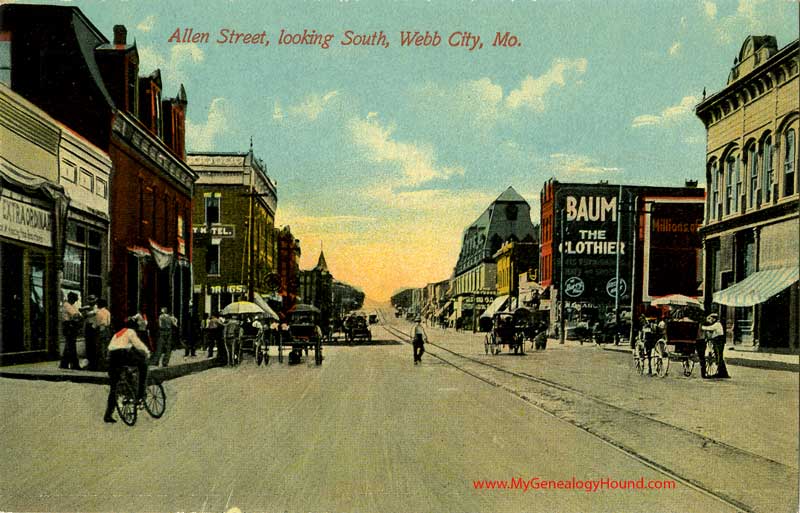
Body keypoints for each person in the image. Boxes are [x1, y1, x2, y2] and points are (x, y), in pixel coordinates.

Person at [104, 318, 151, 423]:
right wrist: (147, 353)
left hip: (112, 358)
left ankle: (108, 414)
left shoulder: (117, 334)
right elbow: (138, 345)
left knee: (114, 388)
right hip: (122, 354)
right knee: (143, 365)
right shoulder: (130, 332)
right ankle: (140, 395)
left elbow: (109, 348)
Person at [701, 313, 730, 378]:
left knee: (719, 356)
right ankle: (722, 372)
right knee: (718, 356)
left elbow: (710, 328)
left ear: (714, 319)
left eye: (710, 319)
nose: (710, 320)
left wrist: (701, 327)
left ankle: (721, 373)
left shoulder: (717, 324)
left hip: (719, 340)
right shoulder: (716, 324)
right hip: (717, 340)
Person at [60, 292, 82, 370]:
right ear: (71, 298)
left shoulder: (71, 305)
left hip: (71, 325)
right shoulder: (67, 305)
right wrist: (79, 316)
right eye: (74, 300)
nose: (74, 302)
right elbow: (76, 315)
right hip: (69, 325)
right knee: (71, 346)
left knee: (69, 346)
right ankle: (74, 364)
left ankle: (64, 363)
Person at [94, 299, 112, 371]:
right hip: (107, 330)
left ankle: (101, 365)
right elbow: (109, 322)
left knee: (100, 348)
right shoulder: (108, 312)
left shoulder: (98, 312)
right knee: (106, 348)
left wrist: (93, 327)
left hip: (100, 329)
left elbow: (97, 323)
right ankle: (106, 364)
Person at [81, 295, 98, 370]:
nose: (90, 301)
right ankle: (89, 363)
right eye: (89, 300)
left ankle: (93, 364)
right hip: (88, 327)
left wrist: (86, 312)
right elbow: (81, 310)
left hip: (93, 327)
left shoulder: (96, 307)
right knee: (88, 346)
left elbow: (93, 313)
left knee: (93, 346)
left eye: (92, 300)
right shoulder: (87, 307)